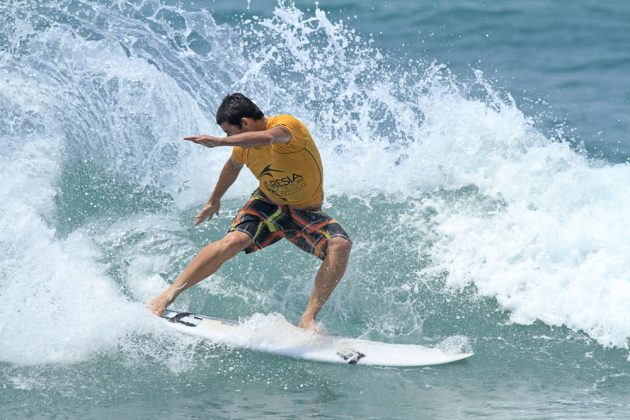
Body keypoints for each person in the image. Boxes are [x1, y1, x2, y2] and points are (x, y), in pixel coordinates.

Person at [148, 93, 352, 332]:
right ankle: (169, 293)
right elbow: (232, 166)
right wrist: (214, 200)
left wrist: (219, 142)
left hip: (304, 210)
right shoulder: (244, 148)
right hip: (267, 202)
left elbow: (270, 137)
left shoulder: (286, 125)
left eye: (230, 133)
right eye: (226, 136)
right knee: (235, 239)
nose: (230, 139)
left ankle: (307, 319)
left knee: (340, 245)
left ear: (245, 123)